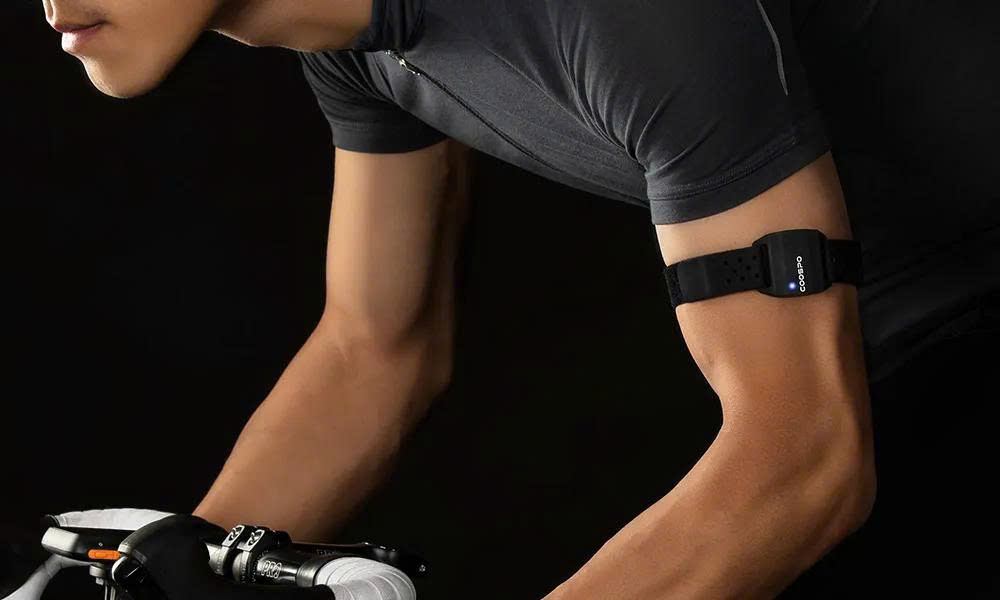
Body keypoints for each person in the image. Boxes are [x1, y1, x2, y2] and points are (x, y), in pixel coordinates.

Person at [33, 0, 999, 597]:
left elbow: (805, 458)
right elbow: (376, 351)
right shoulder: (349, 43)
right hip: (907, 333)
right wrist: (172, 572)